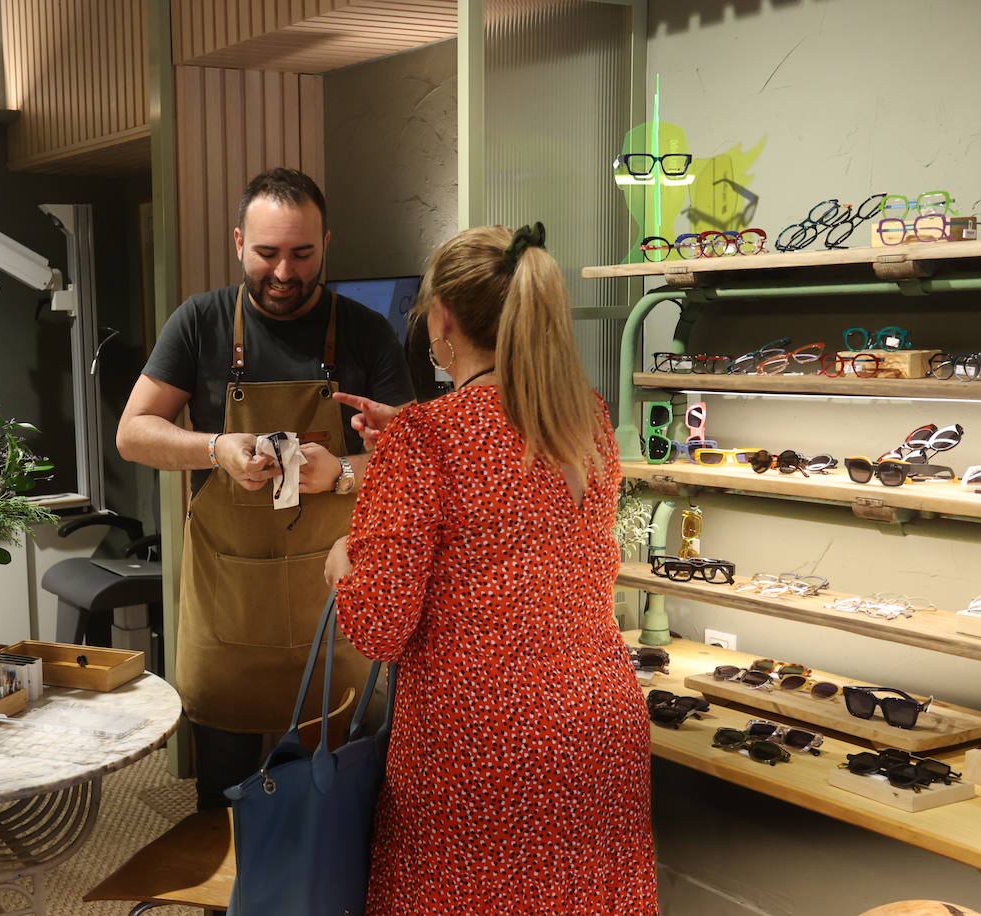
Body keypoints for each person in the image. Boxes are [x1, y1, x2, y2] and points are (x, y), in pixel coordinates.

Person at [326, 223, 659, 914]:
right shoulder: (587, 420)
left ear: (443, 319)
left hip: (481, 744)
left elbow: (379, 628)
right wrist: (413, 447)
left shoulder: (429, 440)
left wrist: (341, 562)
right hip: (597, 724)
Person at [116, 167, 415, 810]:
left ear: (326, 243)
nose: (285, 273)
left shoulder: (366, 332)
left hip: (333, 613)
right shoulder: (198, 323)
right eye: (268, 253)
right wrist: (214, 448)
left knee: (330, 809)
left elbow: (417, 462)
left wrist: (340, 473)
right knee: (220, 804)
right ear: (237, 243)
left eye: (303, 254)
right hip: (230, 613)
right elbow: (133, 434)